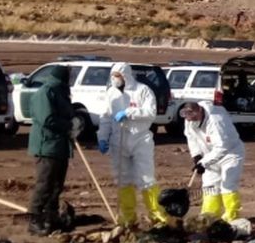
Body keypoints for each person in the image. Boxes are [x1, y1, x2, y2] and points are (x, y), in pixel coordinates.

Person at [96, 63, 167, 227]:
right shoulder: (111, 93)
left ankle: (157, 215)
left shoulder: (142, 90)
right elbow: (106, 117)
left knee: (146, 178)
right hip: (118, 141)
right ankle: (128, 216)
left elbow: (151, 113)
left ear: (125, 75)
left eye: (117, 75)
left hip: (140, 139)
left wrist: (129, 113)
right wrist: (103, 137)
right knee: (123, 179)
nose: (114, 79)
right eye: (112, 75)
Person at [25, 65, 75, 234]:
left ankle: (51, 217)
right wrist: (68, 125)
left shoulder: (61, 92)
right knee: (45, 184)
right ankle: (34, 219)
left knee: (56, 185)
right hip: (47, 145)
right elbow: (47, 118)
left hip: (60, 145)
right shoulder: (46, 92)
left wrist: (74, 123)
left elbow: (67, 112)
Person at [182, 100, 245, 221]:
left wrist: (204, 163)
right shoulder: (189, 119)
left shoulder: (217, 121)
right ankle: (210, 215)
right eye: (188, 118)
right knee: (209, 185)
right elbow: (191, 137)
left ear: (200, 111)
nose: (190, 120)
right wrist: (196, 156)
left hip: (230, 154)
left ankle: (232, 215)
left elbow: (222, 147)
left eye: (193, 117)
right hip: (209, 155)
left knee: (228, 184)